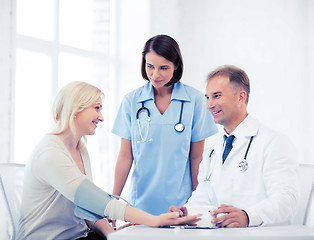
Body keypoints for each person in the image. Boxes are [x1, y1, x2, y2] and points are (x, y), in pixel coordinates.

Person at [17, 81, 200, 240]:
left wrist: (114, 234)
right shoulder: (50, 153)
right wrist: (155, 220)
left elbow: (86, 208)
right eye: (96, 108)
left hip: (80, 236)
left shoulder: (80, 148)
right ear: (76, 108)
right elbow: (96, 201)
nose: (101, 117)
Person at [169, 65, 300, 227]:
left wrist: (248, 216)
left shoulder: (274, 142)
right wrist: (185, 213)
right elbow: (204, 194)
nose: (209, 105)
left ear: (240, 97)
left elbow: (287, 199)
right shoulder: (212, 149)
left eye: (216, 96)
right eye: (207, 98)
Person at [112, 35, 218, 215]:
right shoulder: (132, 101)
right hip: (140, 205)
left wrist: (197, 205)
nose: (155, 74)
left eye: (164, 68)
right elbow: (125, 156)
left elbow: (196, 158)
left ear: (176, 65)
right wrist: (113, 202)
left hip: (180, 205)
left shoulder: (195, 101)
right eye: (150, 66)